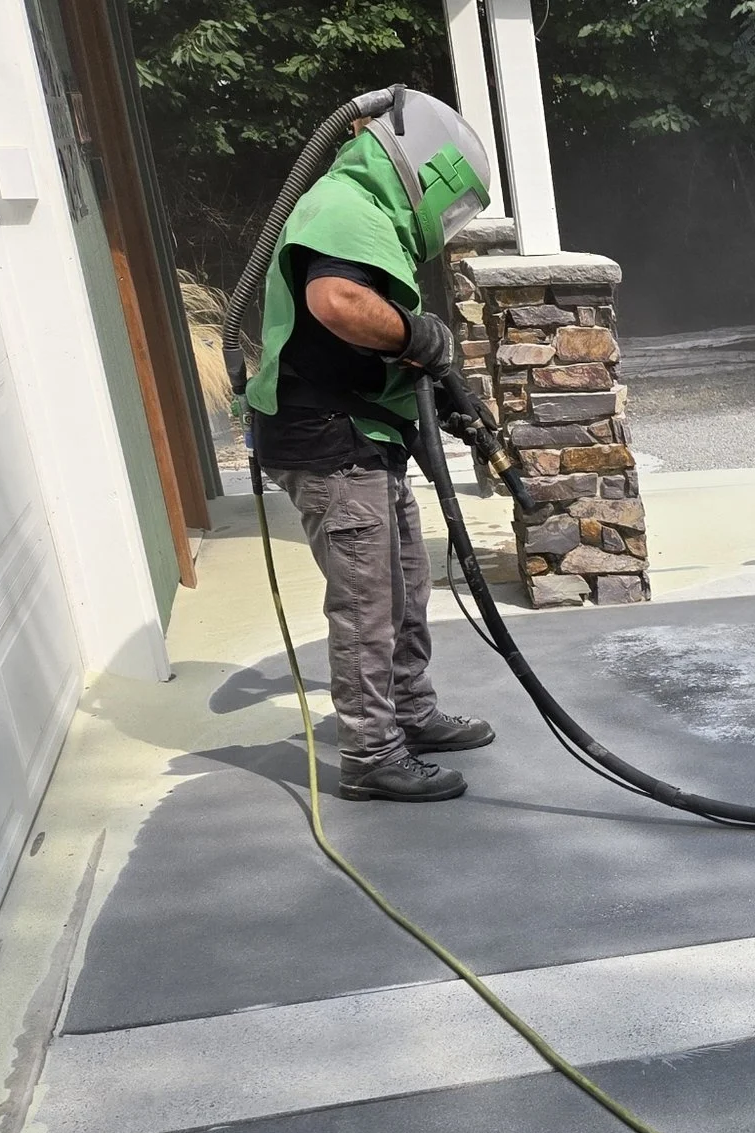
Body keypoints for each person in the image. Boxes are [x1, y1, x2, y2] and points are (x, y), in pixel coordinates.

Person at [244, 89, 497, 802]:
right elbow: (338, 304)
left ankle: (411, 713)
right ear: (422, 170)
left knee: (405, 585)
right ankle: (371, 753)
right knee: (365, 603)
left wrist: (438, 383)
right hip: (328, 438)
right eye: (453, 207)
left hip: (363, 433)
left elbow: (363, 329)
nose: (448, 222)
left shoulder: (371, 213)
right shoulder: (345, 205)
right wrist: (420, 337)